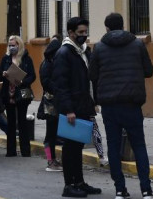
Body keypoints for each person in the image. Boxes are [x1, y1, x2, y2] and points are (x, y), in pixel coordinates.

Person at [89, 13, 153, 199]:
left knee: (114, 145)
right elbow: (149, 71)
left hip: (110, 104)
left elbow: (92, 74)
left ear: (107, 28)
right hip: (132, 103)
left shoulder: (99, 48)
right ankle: (146, 190)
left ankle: (120, 189)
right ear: (123, 25)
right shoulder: (137, 44)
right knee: (139, 145)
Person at [52, 17, 102, 198]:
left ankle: (79, 182)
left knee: (78, 146)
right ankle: (69, 185)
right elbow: (61, 84)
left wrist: (94, 102)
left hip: (83, 105)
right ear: (71, 33)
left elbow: (89, 80)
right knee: (70, 147)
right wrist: (68, 110)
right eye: (80, 32)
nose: (84, 35)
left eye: (85, 32)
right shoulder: (64, 53)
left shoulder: (83, 52)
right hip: (72, 108)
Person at [0, 35, 37, 157]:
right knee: (10, 123)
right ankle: (11, 150)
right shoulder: (6, 59)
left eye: (14, 45)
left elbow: (32, 76)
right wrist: (4, 74)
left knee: (22, 122)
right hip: (8, 93)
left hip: (21, 93)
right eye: (10, 45)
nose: (11, 47)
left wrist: (23, 82)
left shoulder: (26, 59)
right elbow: (0, 73)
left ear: (19, 45)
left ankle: (25, 150)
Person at [39, 35, 63, 172]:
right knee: (50, 134)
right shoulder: (47, 64)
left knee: (55, 133)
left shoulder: (53, 63)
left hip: (56, 102)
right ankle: (50, 160)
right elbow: (46, 82)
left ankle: (53, 159)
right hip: (51, 104)